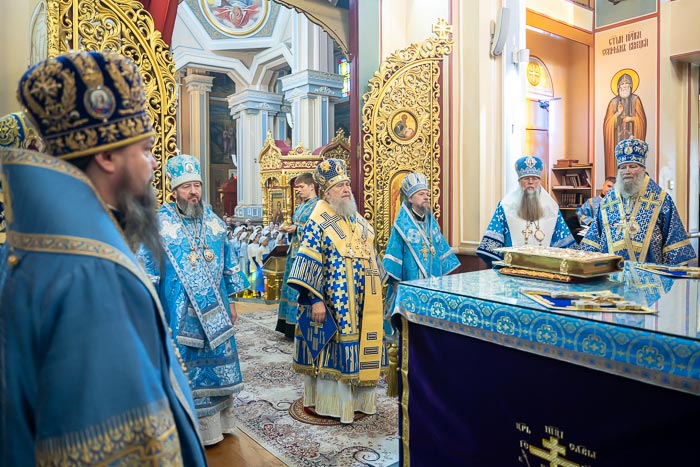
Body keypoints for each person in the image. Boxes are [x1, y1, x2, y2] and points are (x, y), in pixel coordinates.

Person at [0, 51, 205, 465]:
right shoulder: (92, 273)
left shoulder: (44, 242)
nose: (153, 166)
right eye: (145, 150)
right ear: (107, 157)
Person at [138, 153, 250, 446]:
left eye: (197, 185)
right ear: (174, 190)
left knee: (218, 368)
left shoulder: (213, 222)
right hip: (177, 312)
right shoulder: (158, 224)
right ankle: (190, 429)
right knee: (186, 368)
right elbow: (147, 268)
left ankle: (219, 425)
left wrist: (232, 301)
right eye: (186, 186)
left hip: (217, 312)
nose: (193, 192)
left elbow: (228, 263)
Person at [287, 158, 387, 424]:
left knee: (361, 348)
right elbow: (309, 261)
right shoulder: (318, 221)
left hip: (363, 305)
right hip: (333, 305)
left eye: (347, 185)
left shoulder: (360, 222)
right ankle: (333, 405)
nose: (345, 190)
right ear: (327, 193)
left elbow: (374, 260)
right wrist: (315, 300)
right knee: (331, 353)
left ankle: (360, 402)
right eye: (339, 186)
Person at [581, 138, 696, 265]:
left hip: (650, 273)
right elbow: (594, 239)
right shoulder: (608, 202)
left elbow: (674, 240)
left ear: (642, 169)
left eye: (632, 166)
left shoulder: (660, 199)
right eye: (622, 167)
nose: (627, 171)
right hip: (612, 273)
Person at [476, 155, 577, 267]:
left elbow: (564, 244)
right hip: (512, 268)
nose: (530, 182)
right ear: (519, 181)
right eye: (526, 178)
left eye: (534, 178)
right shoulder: (506, 206)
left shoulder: (552, 208)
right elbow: (492, 244)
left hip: (544, 269)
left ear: (539, 181)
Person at [383, 171, 460, 285]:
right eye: (421, 194)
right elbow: (394, 255)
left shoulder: (432, 225)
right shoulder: (402, 227)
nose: (426, 197)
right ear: (410, 199)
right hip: (410, 282)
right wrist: (396, 285)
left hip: (434, 282)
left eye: (427, 194)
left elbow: (442, 251)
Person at [275, 172, 319, 338]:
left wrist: (298, 229)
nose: (298, 190)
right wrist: (290, 229)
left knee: (300, 288)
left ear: (311, 186)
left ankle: (300, 326)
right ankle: (288, 325)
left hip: (305, 253)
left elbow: (317, 229)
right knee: (290, 287)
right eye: (297, 187)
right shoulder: (301, 206)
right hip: (293, 252)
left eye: (301, 187)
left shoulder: (318, 206)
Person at [603, 72, 647, 177]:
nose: (624, 86)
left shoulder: (636, 100)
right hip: (616, 142)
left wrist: (631, 119)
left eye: (627, 83)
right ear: (618, 86)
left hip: (632, 143)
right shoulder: (613, 102)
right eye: (622, 84)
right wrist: (617, 114)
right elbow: (607, 125)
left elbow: (642, 121)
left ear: (631, 85)